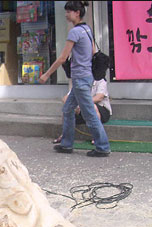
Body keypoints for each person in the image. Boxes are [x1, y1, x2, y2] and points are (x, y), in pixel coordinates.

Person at [39, 1, 111, 157]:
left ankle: (102, 146)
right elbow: (92, 51)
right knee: (68, 109)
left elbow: (62, 58)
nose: (66, 14)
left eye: (68, 12)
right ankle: (66, 144)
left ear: (77, 13)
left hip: (80, 78)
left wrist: (46, 74)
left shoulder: (74, 32)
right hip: (86, 77)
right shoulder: (87, 29)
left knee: (89, 113)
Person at [53, 78, 112, 144]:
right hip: (82, 109)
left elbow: (99, 97)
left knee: (93, 107)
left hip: (101, 110)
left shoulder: (101, 80)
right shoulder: (79, 81)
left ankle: (96, 137)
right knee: (67, 108)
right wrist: (75, 105)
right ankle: (64, 136)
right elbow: (65, 98)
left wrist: (81, 104)